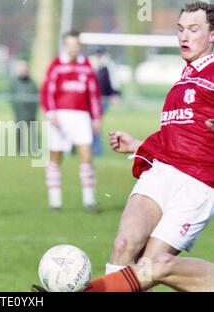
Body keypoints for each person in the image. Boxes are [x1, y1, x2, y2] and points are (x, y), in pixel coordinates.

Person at [31, 96, 214, 293]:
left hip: (197, 186)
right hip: (168, 173)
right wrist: (140, 146)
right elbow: (183, 143)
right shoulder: (188, 80)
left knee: (156, 266)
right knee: (148, 262)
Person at [100, 1, 214, 283]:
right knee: (123, 246)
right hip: (162, 173)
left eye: (194, 29)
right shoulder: (184, 79)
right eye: (180, 29)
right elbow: (179, 137)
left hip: (197, 185)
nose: (184, 36)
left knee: (149, 268)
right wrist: (138, 145)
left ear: (212, 35)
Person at [40, 30, 102, 212]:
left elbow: (94, 94)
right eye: (69, 45)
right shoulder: (56, 65)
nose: (73, 48)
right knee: (56, 158)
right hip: (60, 116)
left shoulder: (87, 66)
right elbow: (47, 91)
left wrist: (96, 118)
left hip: (81, 116)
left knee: (87, 156)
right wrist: (51, 113)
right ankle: (55, 202)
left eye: (76, 45)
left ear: (79, 46)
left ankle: (89, 200)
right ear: (64, 45)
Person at [89, 46, 122, 156]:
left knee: (96, 123)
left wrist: (115, 94)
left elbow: (115, 81)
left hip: (103, 99)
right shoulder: (91, 65)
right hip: (90, 99)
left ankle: (96, 150)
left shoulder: (109, 66)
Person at [9, 59, 38, 155]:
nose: (23, 70)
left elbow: (35, 94)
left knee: (33, 131)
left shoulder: (31, 82)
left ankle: (34, 149)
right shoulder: (14, 82)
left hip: (31, 111)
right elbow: (11, 95)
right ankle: (21, 150)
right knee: (20, 131)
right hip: (20, 111)